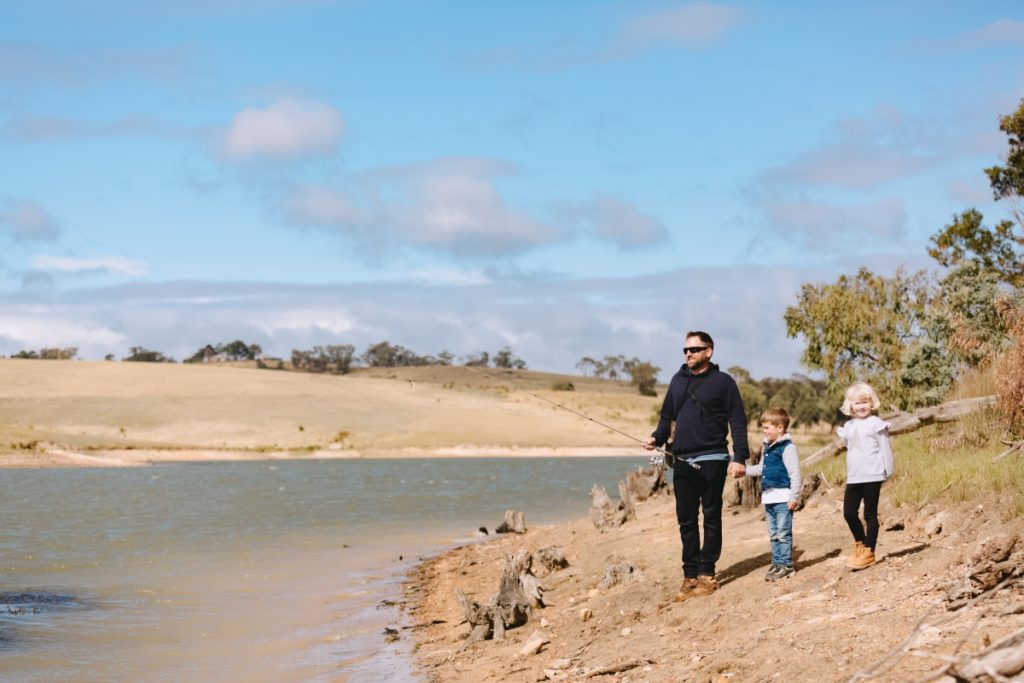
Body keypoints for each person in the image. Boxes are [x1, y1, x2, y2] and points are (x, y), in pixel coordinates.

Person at [644, 331, 749, 602]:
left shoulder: (723, 382)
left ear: (709, 351)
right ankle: (689, 575)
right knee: (686, 520)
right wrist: (657, 437)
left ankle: (707, 574)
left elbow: (737, 420)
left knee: (711, 517)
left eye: (694, 349)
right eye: (685, 350)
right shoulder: (677, 381)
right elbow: (666, 417)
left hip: (714, 458)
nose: (688, 354)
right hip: (681, 460)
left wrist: (739, 456)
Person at [837, 382, 894, 570]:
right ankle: (860, 543)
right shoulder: (849, 425)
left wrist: (888, 470)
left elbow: (885, 449)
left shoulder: (876, 424)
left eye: (865, 402)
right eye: (857, 403)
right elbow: (852, 450)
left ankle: (869, 550)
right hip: (854, 476)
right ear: (850, 405)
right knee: (849, 513)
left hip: (873, 475)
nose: (861, 406)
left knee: (869, 514)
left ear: (872, 403)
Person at [742, 407, 802, 581]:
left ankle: (787, 565)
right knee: (774, 534)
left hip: (783, 498)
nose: (764, 431)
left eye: (767, 427)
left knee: (783, 533)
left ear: (780, 428)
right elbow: (761, 468)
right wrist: (743, 471)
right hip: (769, 498)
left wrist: (794, 497)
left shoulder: (787, 447)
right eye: (763, 428)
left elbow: (795, 474)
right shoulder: (767, 446)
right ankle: (777, 563)